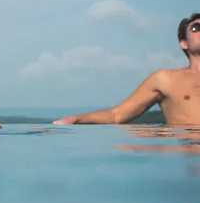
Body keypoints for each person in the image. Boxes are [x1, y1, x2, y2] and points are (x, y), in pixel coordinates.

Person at [54, 13, 200, 126]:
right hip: (191, 156)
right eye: (196, 28)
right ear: (184, 43)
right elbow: (116, 115)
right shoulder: (165, 80)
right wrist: (76, 119)